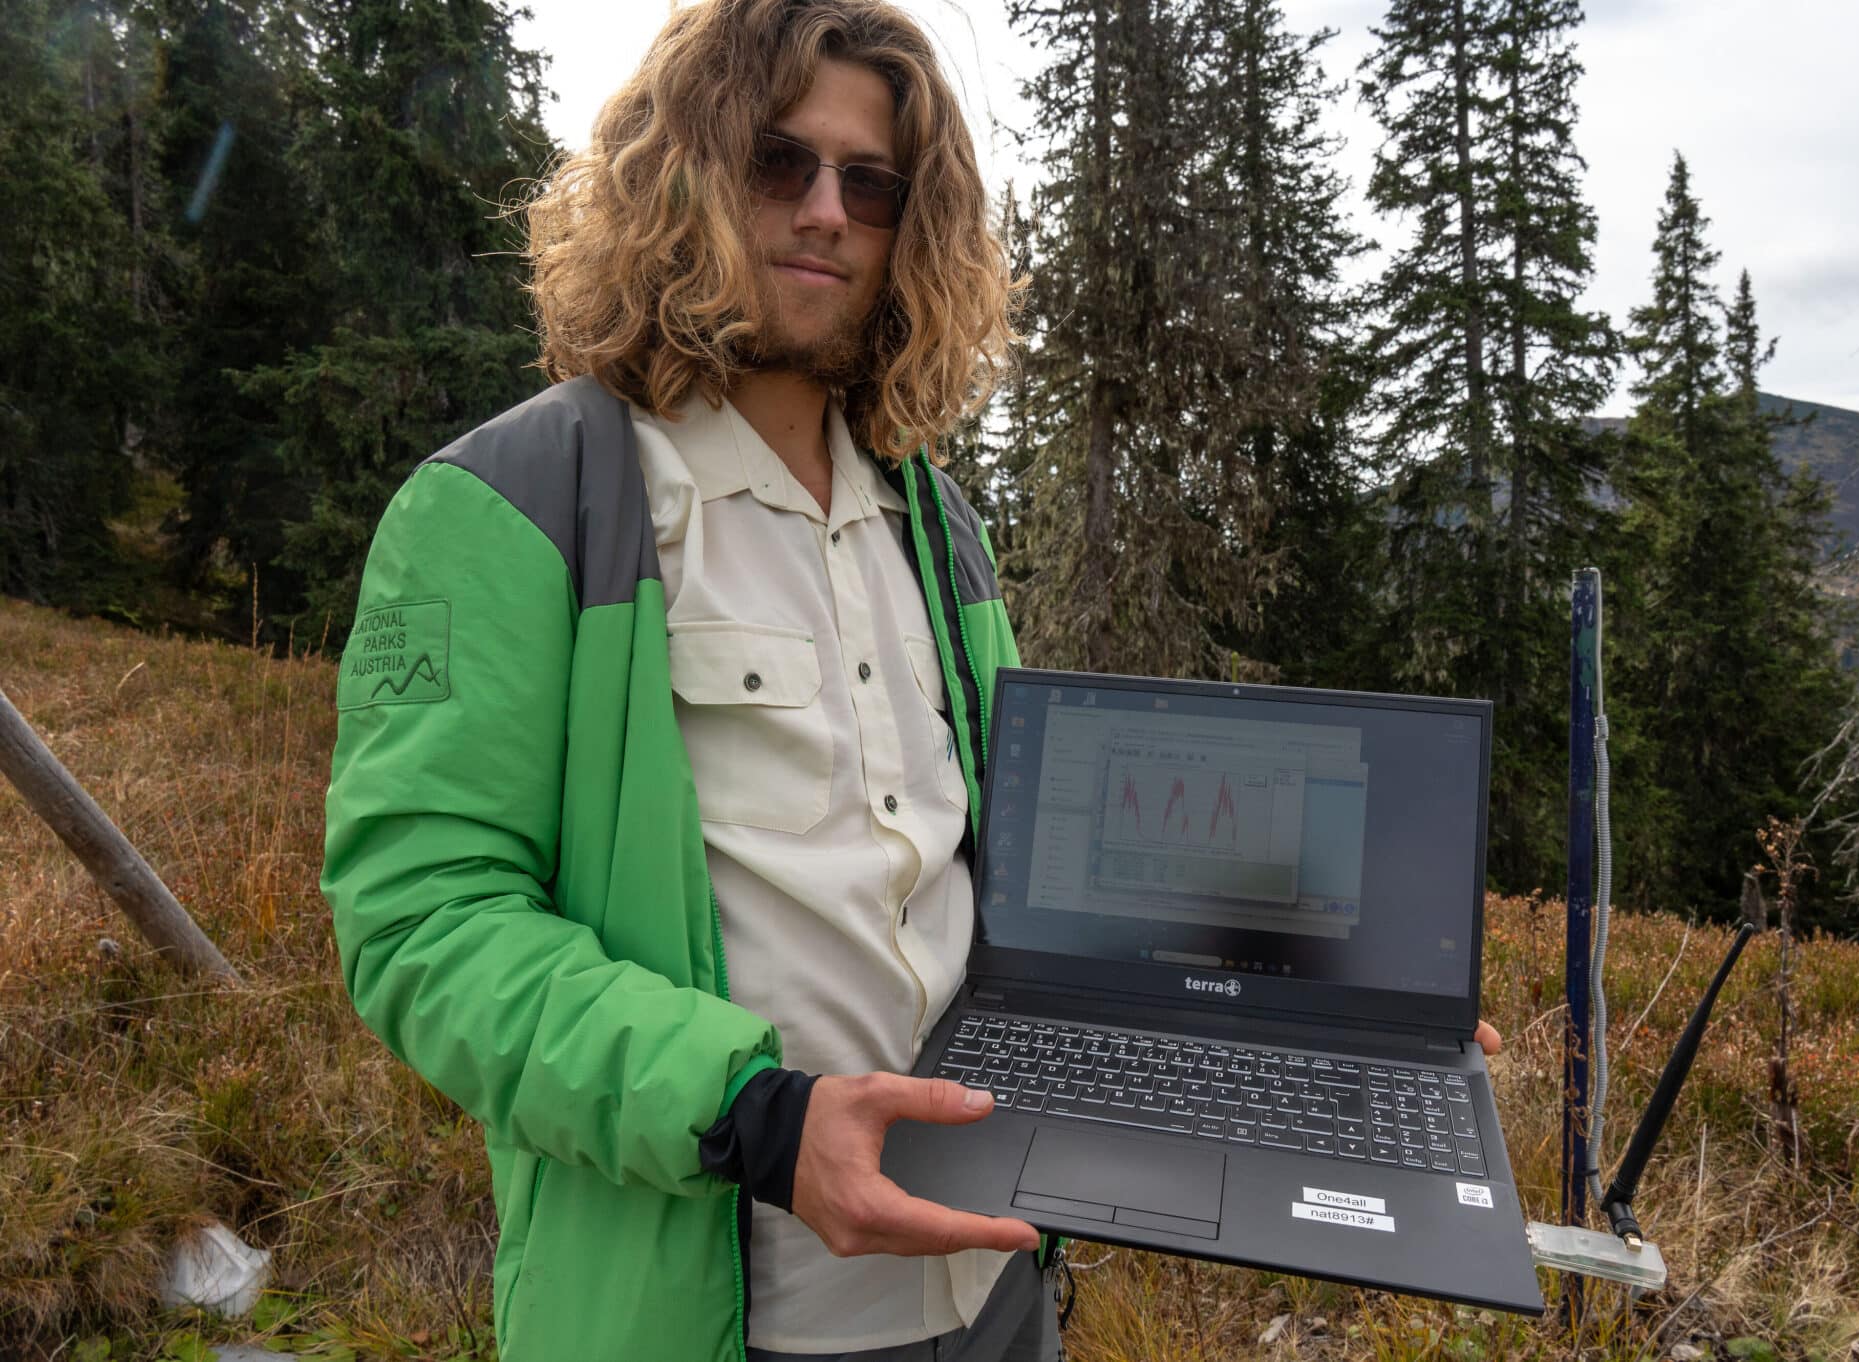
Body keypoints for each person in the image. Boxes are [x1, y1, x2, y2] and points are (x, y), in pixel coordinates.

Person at [320, 1, 1502, 1358]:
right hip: (723, 1314)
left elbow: (1009, 882)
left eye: (869, 183)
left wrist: (1308, 998)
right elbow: (422, 923)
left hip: (994, 1286)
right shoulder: (515, 504)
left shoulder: (935, 527)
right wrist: (758, 1115)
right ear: (682, 168)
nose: (827, 211)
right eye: (780, 161)